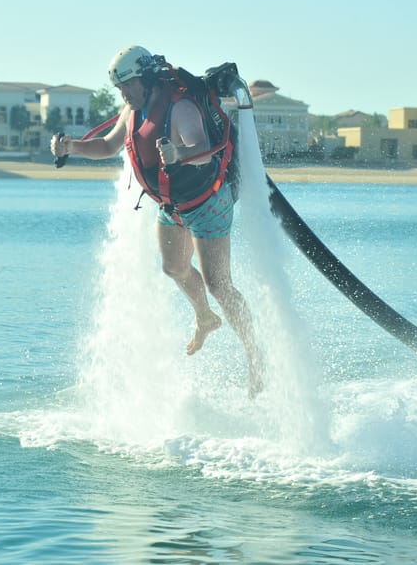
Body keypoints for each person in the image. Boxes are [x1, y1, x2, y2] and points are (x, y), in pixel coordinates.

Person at [51, 45, 263, 397]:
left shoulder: (180, 109)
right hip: (171, 205)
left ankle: (257, 356)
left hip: (207, 201)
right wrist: (71, 147)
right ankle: (205, 318)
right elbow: (107, 146)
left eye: (128, 86)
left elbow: (200, 151)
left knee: (219, 284)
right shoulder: (133, 109)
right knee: (174, 268)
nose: (123, 93)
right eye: (119, 88)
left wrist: (179, 152)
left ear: (147, 80)